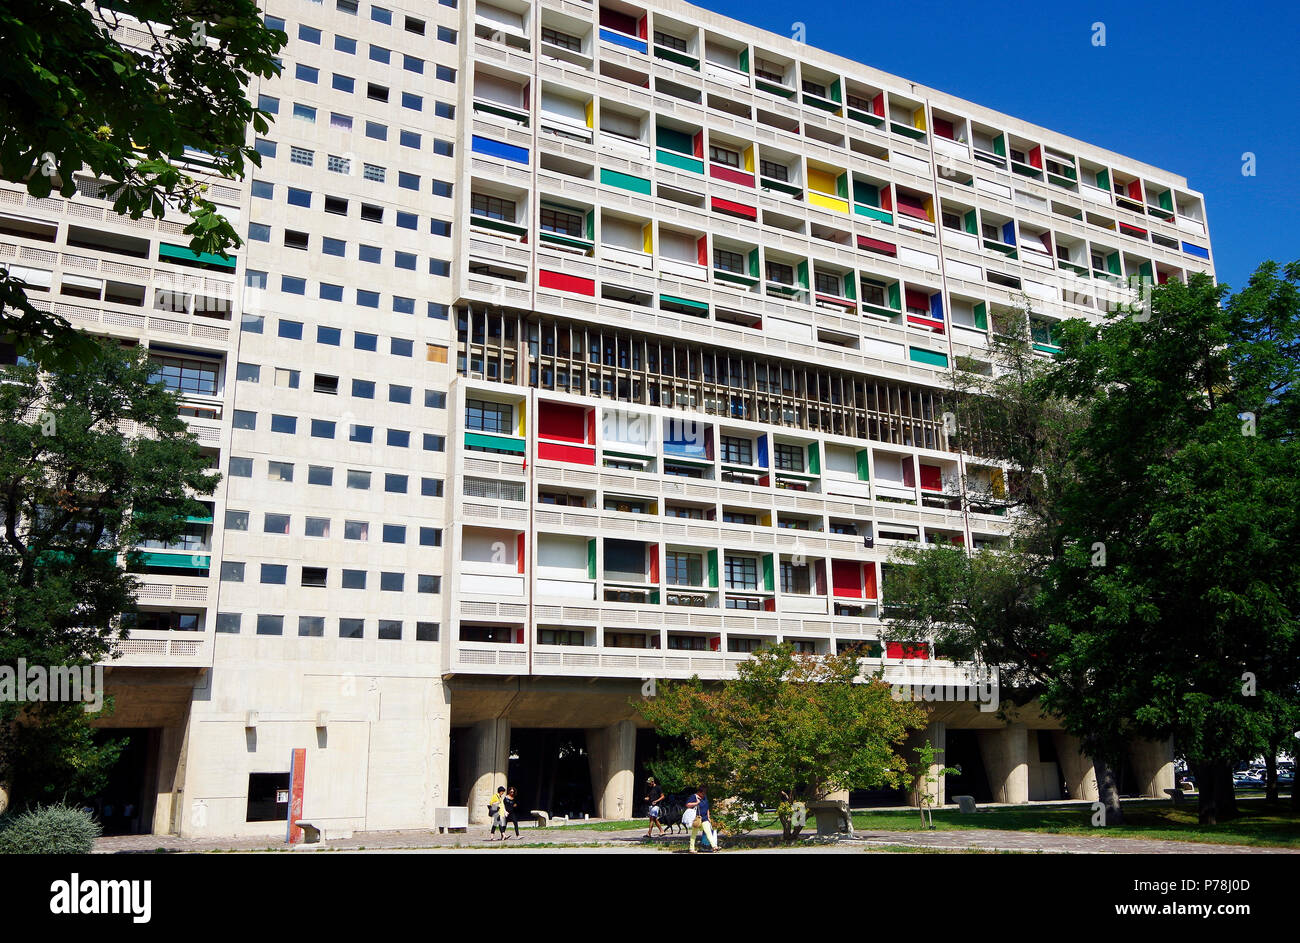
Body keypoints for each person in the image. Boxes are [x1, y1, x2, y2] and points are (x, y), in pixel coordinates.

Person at [686, 786, 720, 853]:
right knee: (694, 834)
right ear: (699, 792)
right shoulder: (693, 797)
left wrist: (708, 817)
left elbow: (707, 807)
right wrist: (696, 803)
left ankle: (714, 847)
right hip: (696, 818)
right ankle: (691, 848)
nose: (704, 793)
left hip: (704, 818)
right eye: (703, 792)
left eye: (705, 792)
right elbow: (687, 805)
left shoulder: (705, 797)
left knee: (708, 832)